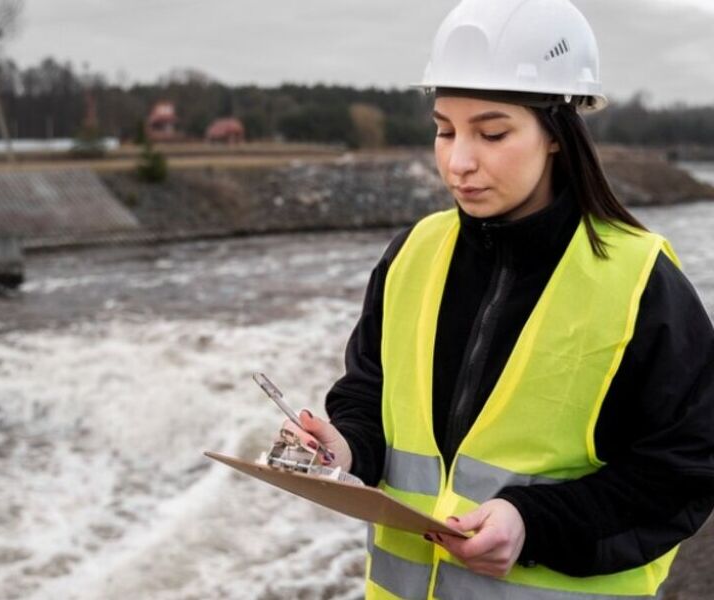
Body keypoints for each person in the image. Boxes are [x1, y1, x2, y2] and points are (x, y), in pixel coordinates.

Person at [283, 0, 714, 597]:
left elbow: (686, 468)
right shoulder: (413, 254)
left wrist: (532, 522)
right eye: (443, 130)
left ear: (557, 134)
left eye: (492, 132)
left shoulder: (639, 281)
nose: (459, 161)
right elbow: (370, 393)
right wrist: (347, 446)